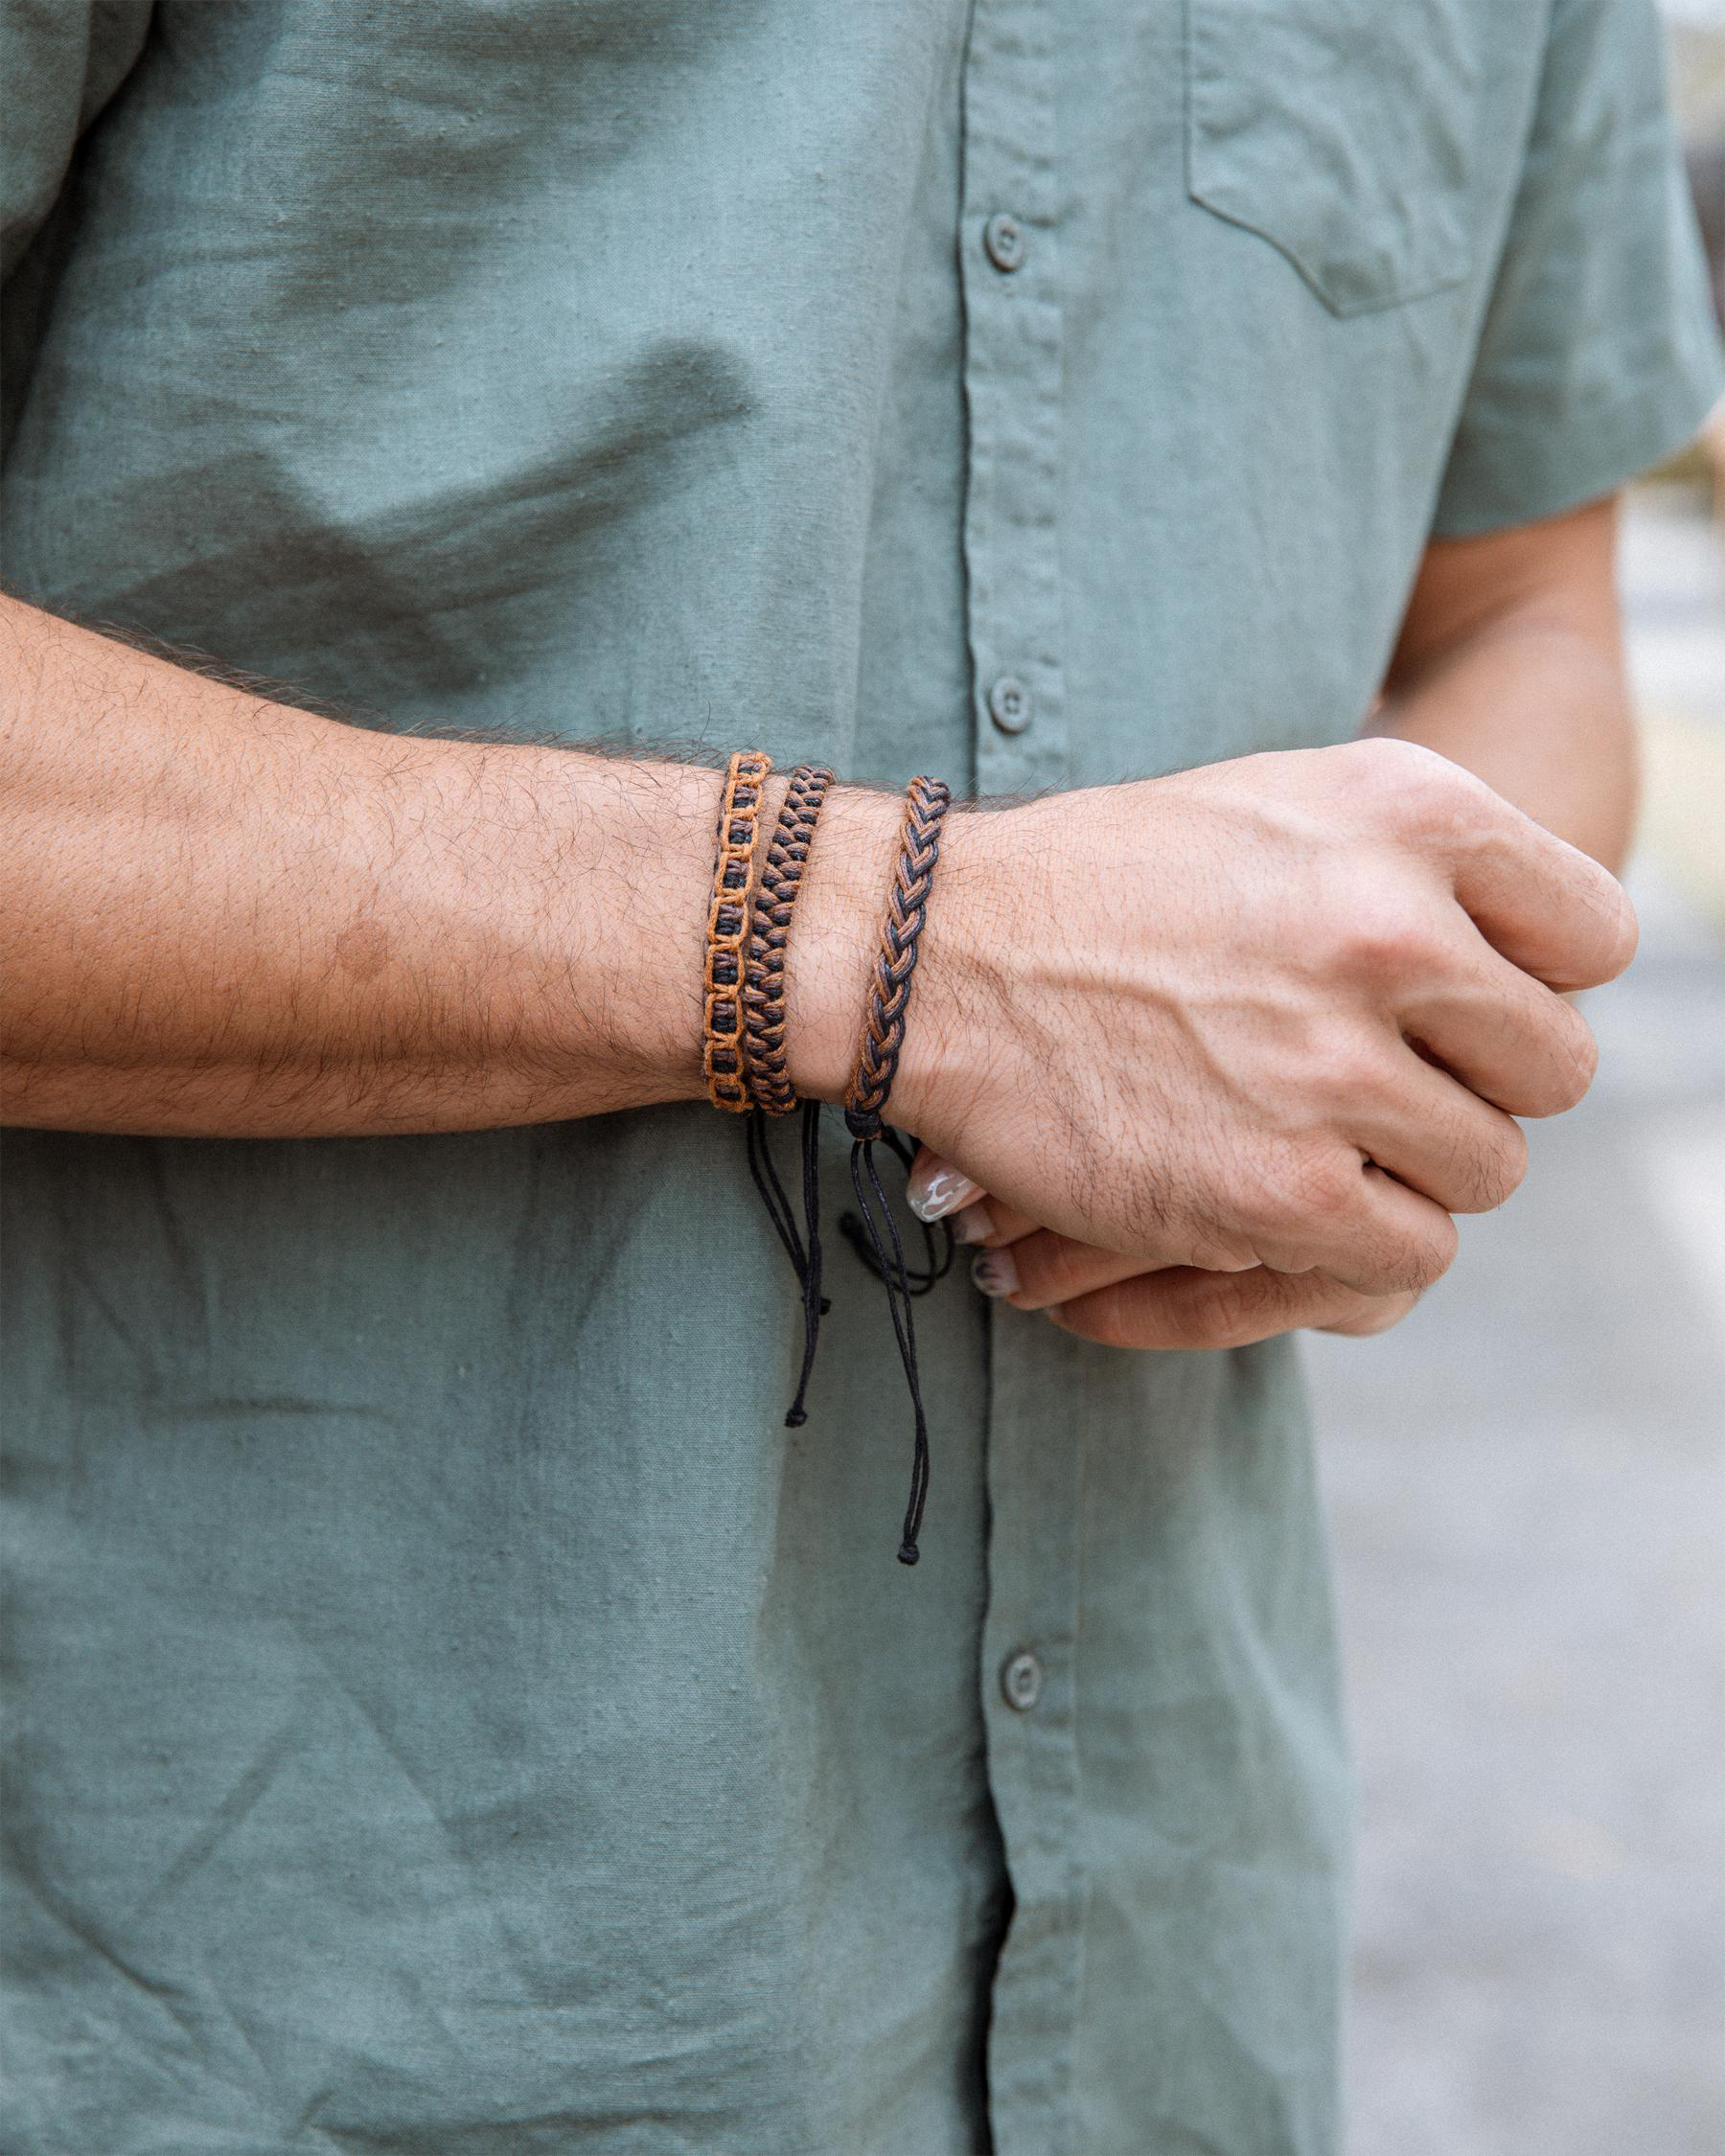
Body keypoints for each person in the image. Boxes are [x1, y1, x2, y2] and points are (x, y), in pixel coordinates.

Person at [2, 5, 1718, 2151]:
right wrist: (905, 943)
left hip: (1180, 1998)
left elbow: (1530, 613)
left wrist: (1389, 1062)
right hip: (259, 1998)